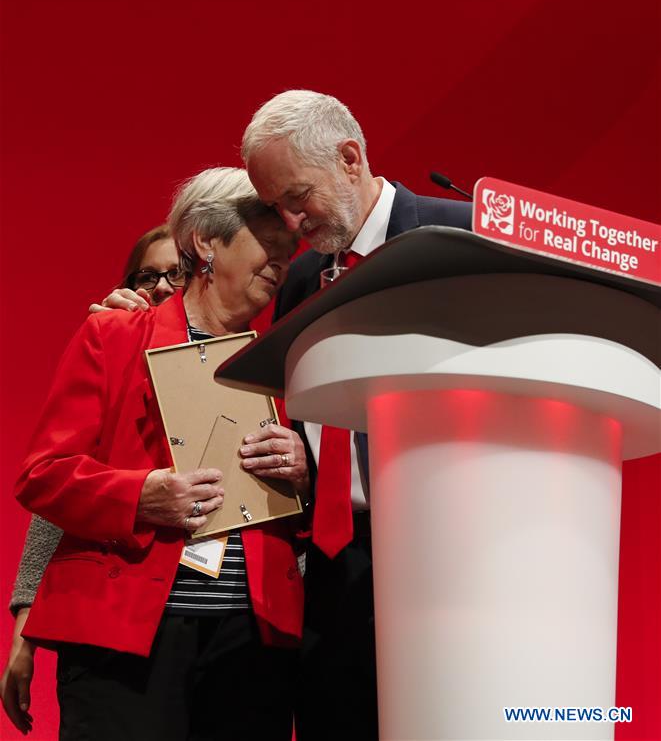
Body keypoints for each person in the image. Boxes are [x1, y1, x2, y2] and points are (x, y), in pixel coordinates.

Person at [13, 168, 308, 741]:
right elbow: (42, 476)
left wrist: (304, 469)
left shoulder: (287, 364)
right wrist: (138, 496)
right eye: (266, 245)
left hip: (252, 642)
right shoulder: (113, 337)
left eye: (287, 250)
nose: (280, 262)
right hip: (128, 636)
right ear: (205, 242)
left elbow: (328, 498)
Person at [241, 89, 473, 741]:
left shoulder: (460, 238)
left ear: (350, 158)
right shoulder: (301, 279)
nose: (289, 223)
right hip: (336, 567)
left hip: (447, 554)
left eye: (297, 196)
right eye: (274, 207)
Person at [1, 224, 183, 736]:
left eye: (179, 273)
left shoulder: (241, 353)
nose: (163, 287)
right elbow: (63, 493)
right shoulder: (110, 341)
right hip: (114, 618)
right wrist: (25, 627)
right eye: (149, 275)